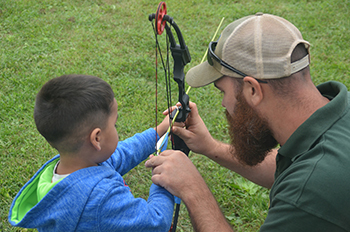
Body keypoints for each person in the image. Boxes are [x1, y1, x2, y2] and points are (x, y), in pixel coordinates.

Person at [145, 13, 350, 231]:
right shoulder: (335, 117)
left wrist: (193, 190)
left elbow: (305, 181)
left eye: (222, 91)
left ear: (253, 90)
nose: (223, 103)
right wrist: (210, 147)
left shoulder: (308, 195)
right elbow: (286, 164)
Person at [8, 74, 175, 231]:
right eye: (114, 124)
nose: (116, 129)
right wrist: (164, 180)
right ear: (97, 138)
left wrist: (160, 130)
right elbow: (156, 222)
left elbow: (123, 153)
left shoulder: (68, 169)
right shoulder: (103, 199)